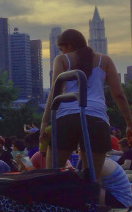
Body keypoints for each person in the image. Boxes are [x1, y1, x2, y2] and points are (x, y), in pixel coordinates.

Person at [41, 28, 132, 180]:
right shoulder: (105, 60)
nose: (61, 52)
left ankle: (55, 202)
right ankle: (90, 203)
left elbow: (54, 92)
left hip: (66, 117)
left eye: (61, 48)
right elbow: (119, 95)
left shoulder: (62, 60)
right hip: (96, 119)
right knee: (93, 178)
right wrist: (129, 123)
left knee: (52, 174)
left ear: (69, 45)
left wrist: (45, 121)